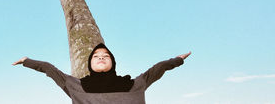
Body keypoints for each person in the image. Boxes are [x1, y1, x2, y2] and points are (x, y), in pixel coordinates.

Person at [13, 43, 191, 104]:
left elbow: (157, 69)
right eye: (96, 56)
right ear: (90, 63)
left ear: (113, 62)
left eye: (106, 56)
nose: (101, 57)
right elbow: (49, 69)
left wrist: (176, 60)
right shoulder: (76, 86)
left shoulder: (135, 85)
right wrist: (27, 61)